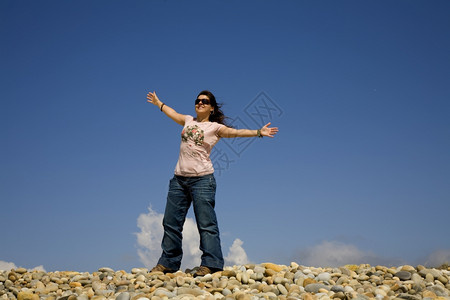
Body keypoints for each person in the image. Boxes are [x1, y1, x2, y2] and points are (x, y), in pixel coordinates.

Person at [146, 90, 279, 276]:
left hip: (202, 180)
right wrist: (159, 103)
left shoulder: (215, 127)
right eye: (197, 100)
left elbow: (236, 133)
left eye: (204, 101)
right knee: (170, 222)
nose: (200, 103)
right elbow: (173, 113)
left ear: (211, 107)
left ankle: (211, 263)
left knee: (206, 224)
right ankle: (168, 262)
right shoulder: (187, 120)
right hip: (179, 180)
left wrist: (258, 132)